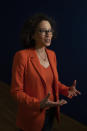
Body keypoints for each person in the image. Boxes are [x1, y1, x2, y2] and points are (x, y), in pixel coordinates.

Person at [10, 13, 81, 131]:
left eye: (50, 31)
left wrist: (66, 89)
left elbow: (53, 82)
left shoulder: (52, 55)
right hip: (32, 115)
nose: (48, 34)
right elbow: (16, 91)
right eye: (43, 30)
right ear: (32, 34)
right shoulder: (21, 56)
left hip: (51, 112)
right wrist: (38, 104)